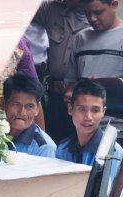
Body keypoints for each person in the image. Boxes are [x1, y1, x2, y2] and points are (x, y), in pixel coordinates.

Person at [64, 0, 123, 99]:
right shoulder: (80, 37)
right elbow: (71, 83)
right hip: (85, 112)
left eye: (98, 12)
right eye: (87, 13)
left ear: (114, 5)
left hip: (121, 113)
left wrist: (107, 86)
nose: (92, 19)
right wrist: (69, 94)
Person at [31, 0, 90, 144]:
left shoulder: (98, 18)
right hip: (55, 98)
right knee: (53, 143)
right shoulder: (52, 10)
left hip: (83, 99)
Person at [57, 79, 123, 168]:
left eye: (95, 110)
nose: (88, 117)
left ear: (103, 112)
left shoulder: (113, 152)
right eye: (82, 109)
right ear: (70, 109)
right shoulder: (62, 149)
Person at [1, 73, 56, 158]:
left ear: (37, 109)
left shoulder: (44, 147)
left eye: (29, 106)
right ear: (3, 104)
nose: (22, 112)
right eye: (16, 104)